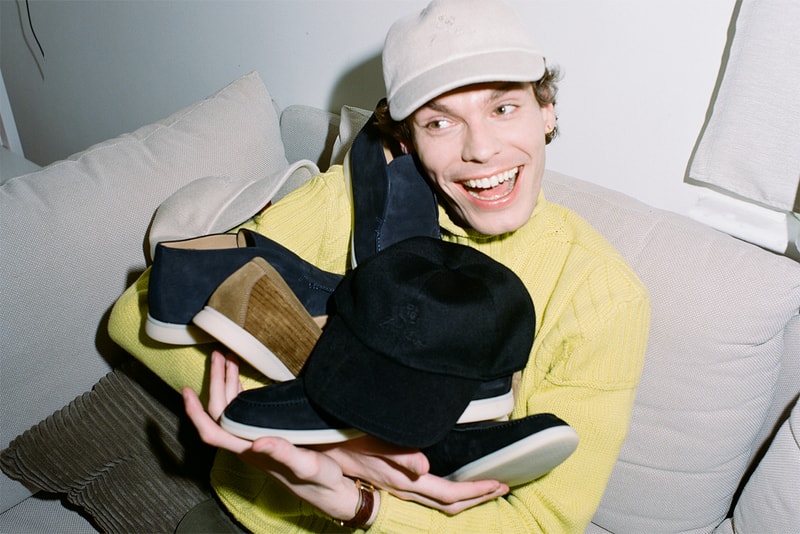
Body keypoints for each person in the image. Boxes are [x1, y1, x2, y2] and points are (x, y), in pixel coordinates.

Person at [108, 0, 650, 531]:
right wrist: (337, 438)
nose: (481, 149)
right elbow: (134, 314)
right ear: (407, 140)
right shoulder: (346, 202)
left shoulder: (601, 295)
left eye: (503, 108)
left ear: (546, 110)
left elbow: (541, 522)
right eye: (440, 122)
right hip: (246, 518)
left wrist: (361, 500)